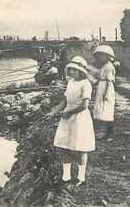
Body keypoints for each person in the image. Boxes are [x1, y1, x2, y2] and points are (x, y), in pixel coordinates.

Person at [45, 56, 95, 187]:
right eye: (71, 69)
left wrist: (69, 113)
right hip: (67, 116)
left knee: (81, 148)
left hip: (80, 117)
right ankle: (65, 177)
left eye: (75, 70)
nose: (72, 72)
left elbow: (84, 105)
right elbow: (64, 101)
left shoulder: (86, 84)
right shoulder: (71, 82)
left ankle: (81, 178)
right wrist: (53, 112)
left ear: (82, 71)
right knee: (64, 146)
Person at [93, 45, 116, 142]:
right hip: (102, 87)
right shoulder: (104, 66)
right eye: (99, 56)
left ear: (107, 56)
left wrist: (106, 94)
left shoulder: (109, 66)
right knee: (101, 110)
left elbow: (110, 81)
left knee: (107, 110)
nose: (100, 57)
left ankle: (109, 134)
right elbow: (101, 79)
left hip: (107, 88)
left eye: (102, 55)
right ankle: (103, 133)